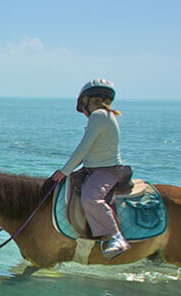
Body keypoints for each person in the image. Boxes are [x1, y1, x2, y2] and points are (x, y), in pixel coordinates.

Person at [49, 78, 131, 258]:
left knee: (91, 197)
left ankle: (116, 237)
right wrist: (68, 172)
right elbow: (88, 152)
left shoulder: (99, 115)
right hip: (93, 168)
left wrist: (63, 171)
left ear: (86, 101)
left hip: (106, 170)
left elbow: (83, 147)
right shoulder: (106, 115)